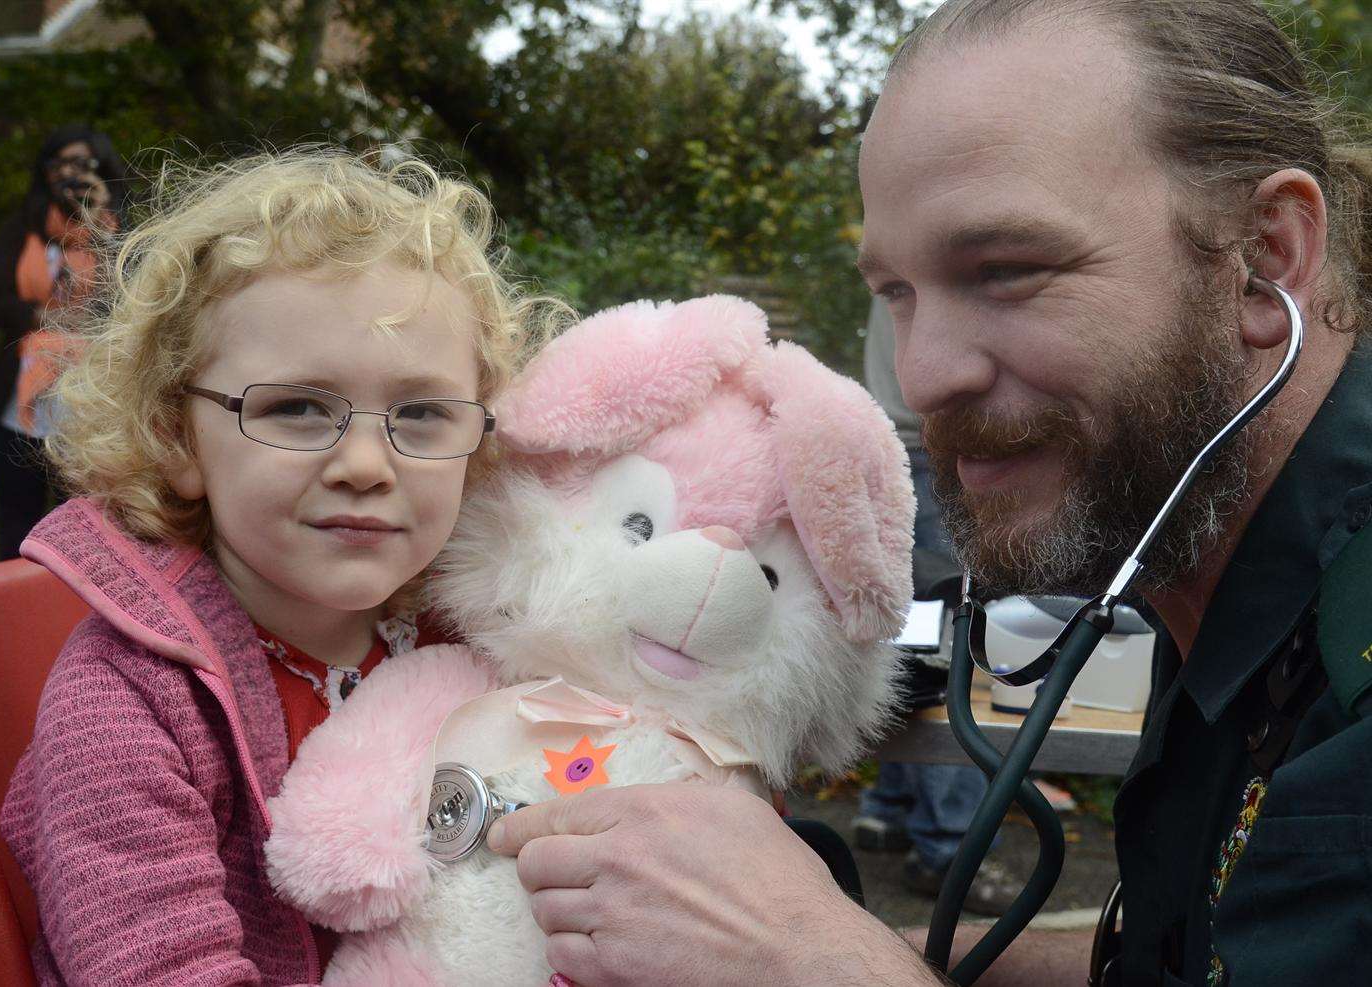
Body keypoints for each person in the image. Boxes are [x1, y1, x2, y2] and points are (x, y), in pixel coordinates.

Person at [487, 2, 1372, 985]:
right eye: (897, 293)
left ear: (1265, 260)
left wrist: (793, 950)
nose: (921, 377)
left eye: (1005, 270)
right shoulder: (1208, 550)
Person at [0, 149, 557, 984]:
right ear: (177, 438)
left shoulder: (479, 635)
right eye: (297, 407)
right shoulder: (129, 705)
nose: (367, 463)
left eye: (424, 413)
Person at [854, 299, 1020, 917]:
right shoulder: (960, 231)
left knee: (910, 637)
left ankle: (888, 810)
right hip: (940, 450)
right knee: (950, 646)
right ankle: (951, 850)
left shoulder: (903, 237)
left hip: (898, 443)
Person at [0, 124, 128, 559]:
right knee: (18, 521)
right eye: (57, 163)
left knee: (85, 528)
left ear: (101, 167)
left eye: (80, 163)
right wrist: (41, 315)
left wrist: (100, 219)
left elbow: (136, 294)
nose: (67, 173)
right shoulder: (24, 226)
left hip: (90, 402)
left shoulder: (122, 229)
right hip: (20, 406)